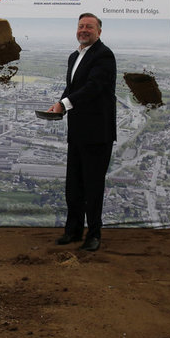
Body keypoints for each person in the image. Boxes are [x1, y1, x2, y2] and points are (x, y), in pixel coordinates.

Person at [47, 13, 117, 252]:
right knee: (74, 186)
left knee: (93, 186)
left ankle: (94, 234)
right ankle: (73, 231)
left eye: (89, 26)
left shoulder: (104, 55)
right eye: (80, 26)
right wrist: (59, 105)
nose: (83, 30)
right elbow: (72, 88)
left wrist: (64, 104)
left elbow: (93, 88)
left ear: (99, 31)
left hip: (98, 134)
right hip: (77, 131)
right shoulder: (74, 56)